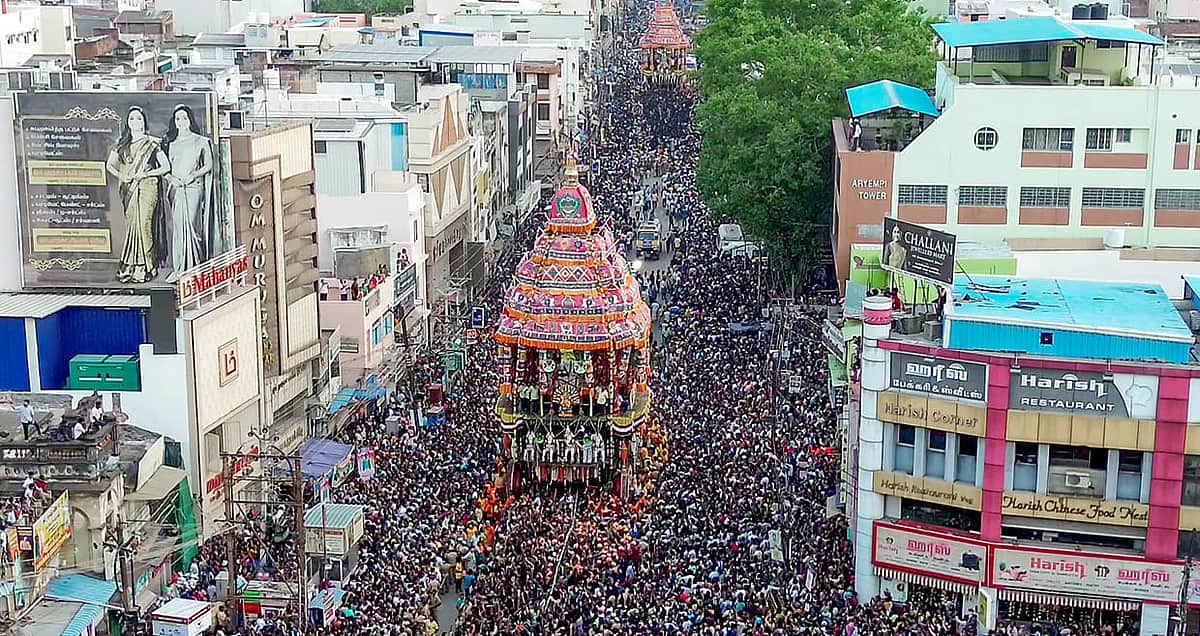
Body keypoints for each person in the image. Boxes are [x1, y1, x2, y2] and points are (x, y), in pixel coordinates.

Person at [106, 105, 171, 284]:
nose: (136, 122)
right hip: (129, 189)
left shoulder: (152, 144)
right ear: (128, 122)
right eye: (132, 118)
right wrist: (123, 175)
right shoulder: (122, 143)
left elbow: (166, 167)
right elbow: (109, 165)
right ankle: (129, 266)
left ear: (144, 122)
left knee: (144, 224)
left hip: (148, 187)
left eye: (139, 118)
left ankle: (147, 266)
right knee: (132, 226)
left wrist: (146, 174)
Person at [163, 103, 215, 280]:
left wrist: (193, 175)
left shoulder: (200, 141)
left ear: (190, 120)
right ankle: (179, 269)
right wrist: (172, 179)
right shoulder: (171, 144)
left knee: (192, 226)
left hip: (193, 188)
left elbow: (209, 165)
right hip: (176, 189)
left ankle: (194, 268)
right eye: (178, 118)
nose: (181, 121)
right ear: (174, 122)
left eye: (184, 118)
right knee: (178, 228)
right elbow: (165, 169)